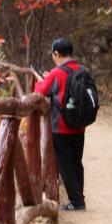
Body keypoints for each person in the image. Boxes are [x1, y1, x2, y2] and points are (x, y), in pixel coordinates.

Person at [33, 37, 86, 211]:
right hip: (79, 124)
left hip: (61, 126)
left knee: (65, 165)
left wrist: (41, 80)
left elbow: (40, 91)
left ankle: (77, 202)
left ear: (56, 54)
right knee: (76, 161)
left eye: (53, 55)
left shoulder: (57, 73)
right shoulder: (82, 70)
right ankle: (79, 196)